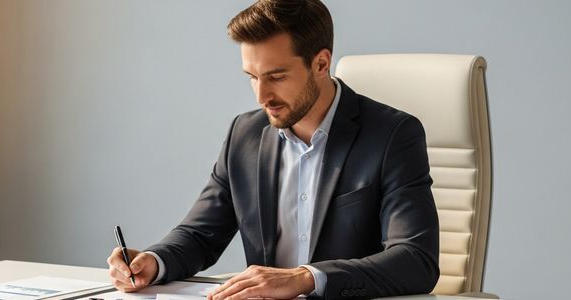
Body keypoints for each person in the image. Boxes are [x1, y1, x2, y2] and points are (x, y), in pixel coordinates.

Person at [106, 0, 439, 299]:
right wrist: (154, 261)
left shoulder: (393, 135)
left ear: (321, 64)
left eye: (276, 76)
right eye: (252, 76)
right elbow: (200, 234)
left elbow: (415, 259)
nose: (261, 96)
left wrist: (306, 278)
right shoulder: (245, 133)